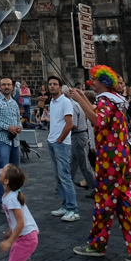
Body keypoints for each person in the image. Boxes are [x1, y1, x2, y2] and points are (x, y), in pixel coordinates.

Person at [71, 66, 131, 261]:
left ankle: (97, 245)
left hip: (110, 160)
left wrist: (80, 100)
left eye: (94, 80)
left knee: (104, 203)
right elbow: (97, 112)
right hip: (122, 159)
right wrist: (81, 97)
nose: (91, 82)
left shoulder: (105, 99)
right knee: (126, 205)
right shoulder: (115, 100)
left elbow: (98, 120)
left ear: (103, 82)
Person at [0, 164, 42, 261]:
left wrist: (9, 241)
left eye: (3, 171)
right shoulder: (11, 195)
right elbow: (16, 220)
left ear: (6, 181)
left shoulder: (10, 198)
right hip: (25, 236)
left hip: (27, 238)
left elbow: (21, 222)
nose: (0, 171)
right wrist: (10, 231)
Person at [46, 77, 79, 222]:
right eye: (50, 84)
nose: (52, 86)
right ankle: (65, 205)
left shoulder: (65, 102)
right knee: (58, 177)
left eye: (55, 84)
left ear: (60, 87)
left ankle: (73, 209)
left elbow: (69, 124)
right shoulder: (52, 102)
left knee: (65, 176)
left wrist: (59, 139)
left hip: (61, 143)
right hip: (52, 141)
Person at [0, 78, 22, 210]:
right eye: (3, 85)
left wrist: (18, 127)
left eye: (8, 84)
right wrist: (7, 127)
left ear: (12, 86)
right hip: (2, 140)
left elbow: (19, 120)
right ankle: (2, 201)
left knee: (15, 172)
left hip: (15, 141)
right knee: (2, 171)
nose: (6, 87)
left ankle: (15, 199)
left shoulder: (14, 103)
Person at [68, 85, 95, 198]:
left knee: (84, 165)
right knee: (73, 162)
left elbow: (73, 124)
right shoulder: (79, 105)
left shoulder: (74, 105)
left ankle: (95, 187)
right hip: (79, 136)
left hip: (78, 135)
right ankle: (66, 183)